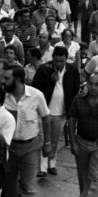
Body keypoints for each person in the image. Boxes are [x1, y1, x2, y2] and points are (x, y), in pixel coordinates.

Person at [1, 65, 50, 197]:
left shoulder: (36, 95)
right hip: (9, 148)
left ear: (19, 80)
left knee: (27, 187)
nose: (3, 81)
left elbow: (45, 118)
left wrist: (48, 143)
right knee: (8, 184)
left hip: (30, 147)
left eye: (7, 78)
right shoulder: (2, 96)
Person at [32, 46, 80, 177]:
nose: (59, 64)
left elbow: (75, 90)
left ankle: (51, 164)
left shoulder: (72, 70)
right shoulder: (44, 69)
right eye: (56, 61)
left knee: (55, 138)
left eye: (62, 61)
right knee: (44, 139)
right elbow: (35, 88)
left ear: (66, 60)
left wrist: (72, 110)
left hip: (61, 111)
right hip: (45, 111)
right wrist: (49, 80)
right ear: (52, 59)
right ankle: (42, 168)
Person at [68, 73, 98, 197]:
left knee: (95, 177)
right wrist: (72, 142)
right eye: (91, 83)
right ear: (87, 83)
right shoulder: (79, 99)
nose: (93, 87)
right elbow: (71, 119)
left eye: (97, 84)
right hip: (81, 141)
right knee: (84, 177)